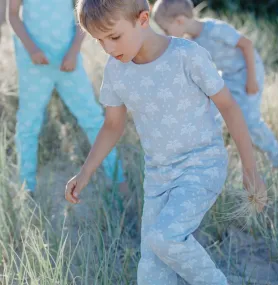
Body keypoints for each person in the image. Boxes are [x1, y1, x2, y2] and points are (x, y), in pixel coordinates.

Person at [65, 0, 267, 284]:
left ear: (143, 19)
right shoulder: (116, 71)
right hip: (159, 178)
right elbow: (112, 125)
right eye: (99, 41)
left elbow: (230, 108)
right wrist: (85, 171)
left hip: (202, 165)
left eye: (114, 36)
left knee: (165, 237)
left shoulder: (188, 56)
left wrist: (251, 170)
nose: (108, 48)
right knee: (150, 271)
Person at [9, 0, 125, 194]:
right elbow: (12, 15)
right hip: (34, 64)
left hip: (68, 60)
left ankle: (118, 180)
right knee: (27, 124)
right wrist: (32, 50)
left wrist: (74, 51)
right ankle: (26, 188)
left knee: (92, 118)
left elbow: (86, 14)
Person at [152, 0, 278, 168]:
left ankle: (277, 157)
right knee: (213, 112)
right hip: (228, 76)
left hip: (247, 71)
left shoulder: (214, 29)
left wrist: (251, 79)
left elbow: (247, 45)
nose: (166, 34)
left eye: (165, 29)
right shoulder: (192, 41)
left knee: (250, 119)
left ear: (179, 20)